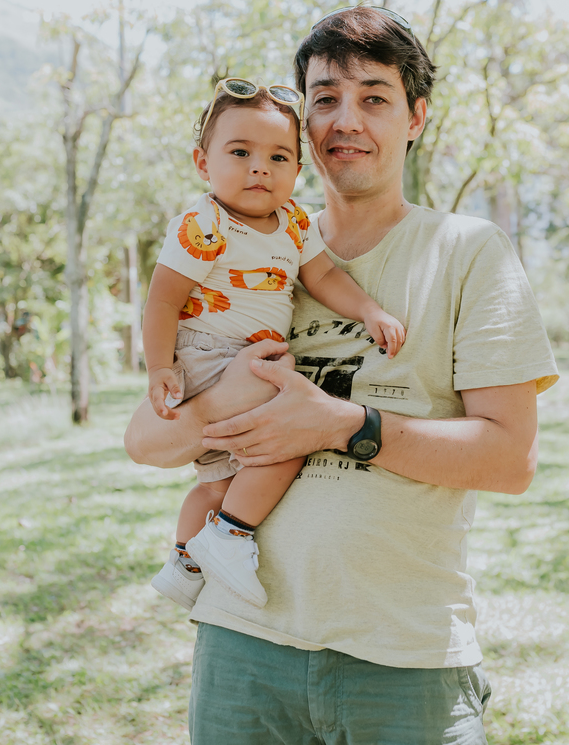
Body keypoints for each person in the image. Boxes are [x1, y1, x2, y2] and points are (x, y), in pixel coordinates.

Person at [124, 5, 558, 744]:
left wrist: (344, 425)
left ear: (417, 116)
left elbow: (508, 458)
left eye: (375, 98)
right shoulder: (245, 254)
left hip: (403, 657)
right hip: (243, 649)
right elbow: (150, 444)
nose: (345, 119)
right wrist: (228, 395)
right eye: (325, 98)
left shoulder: (469, 252)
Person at [145, 77, 406, 611]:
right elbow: (162, 300)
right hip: (209, 354)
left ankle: (183, 563)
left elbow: (325, 279)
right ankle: (229, 538)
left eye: (278, 156)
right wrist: (158, 366)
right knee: (287, 442)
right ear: (203, 163)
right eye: (240, 152)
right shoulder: (205, 224)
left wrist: (369, 310)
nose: (259, 167)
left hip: (246, 360)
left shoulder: (292, 226)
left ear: (297, 170)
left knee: (219, 479)